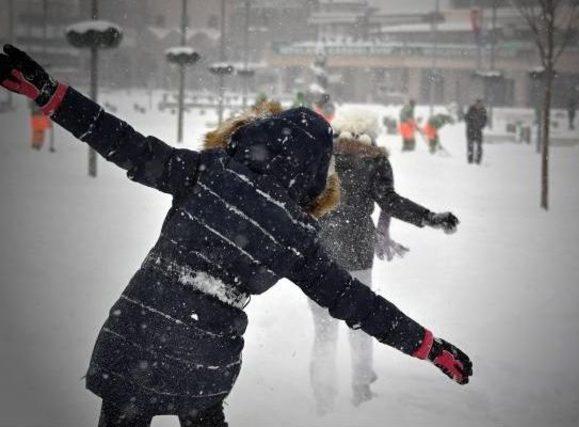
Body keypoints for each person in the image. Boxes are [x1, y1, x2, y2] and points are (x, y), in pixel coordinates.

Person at [0, 45, 472, 427]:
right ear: (314, 176)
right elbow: (356, 302)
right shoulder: (294, 237)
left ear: (260, 133)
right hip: (203, 364)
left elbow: (121, 141)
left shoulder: (205, 171)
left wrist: (49, 93)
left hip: (135, 335)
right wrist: (427, 345)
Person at [311, 109, 460, 412]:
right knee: (361, 324)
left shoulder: (323, 156)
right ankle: (361, 389)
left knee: (324, 333)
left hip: (320, 253)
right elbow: (389, 201)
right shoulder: (374, 159)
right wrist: (429, 218)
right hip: (357, 251)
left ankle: (323, 402)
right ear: (370, 133)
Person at [464, 99, 487, 164]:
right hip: (470, 131)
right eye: (477, 104)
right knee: (470, 146)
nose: (478, 106)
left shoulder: (483, 110)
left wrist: (480, 125)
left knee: (479, 146)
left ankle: (478, 161)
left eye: (480, 104)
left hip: (478, 131)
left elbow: (484, 120)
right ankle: (470, 160)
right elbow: (466, 118)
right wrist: (471, 121)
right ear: (475, 104)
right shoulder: (471, 109)